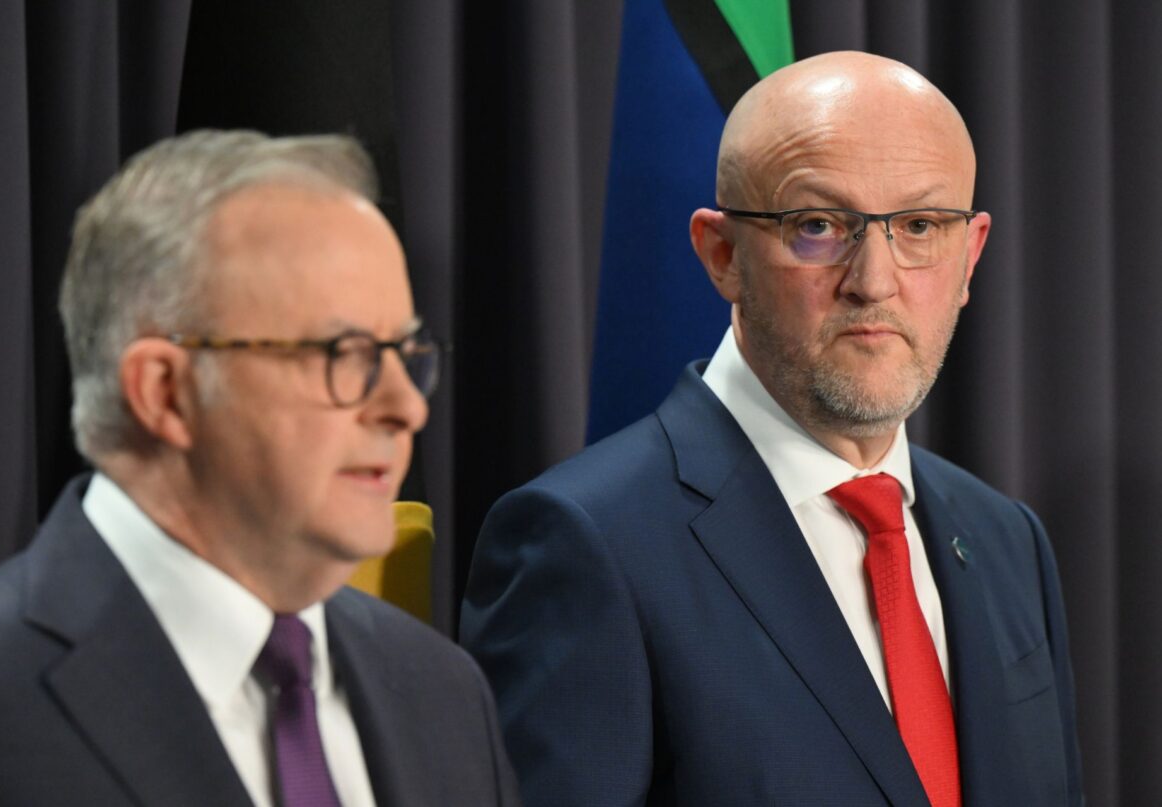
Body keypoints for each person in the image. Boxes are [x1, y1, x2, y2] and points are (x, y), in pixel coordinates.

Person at [461, 51, 1082, 806]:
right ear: (722, 254)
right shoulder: (586, 542)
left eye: (920, 225)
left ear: (970, 254)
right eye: (819, 225)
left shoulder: (1008, 539)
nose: (874, 281)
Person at [0, 130, 520, 807]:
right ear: (166, 391)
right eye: (346, 354)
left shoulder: (445, 692)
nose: (406, 408)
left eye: (407, 354)